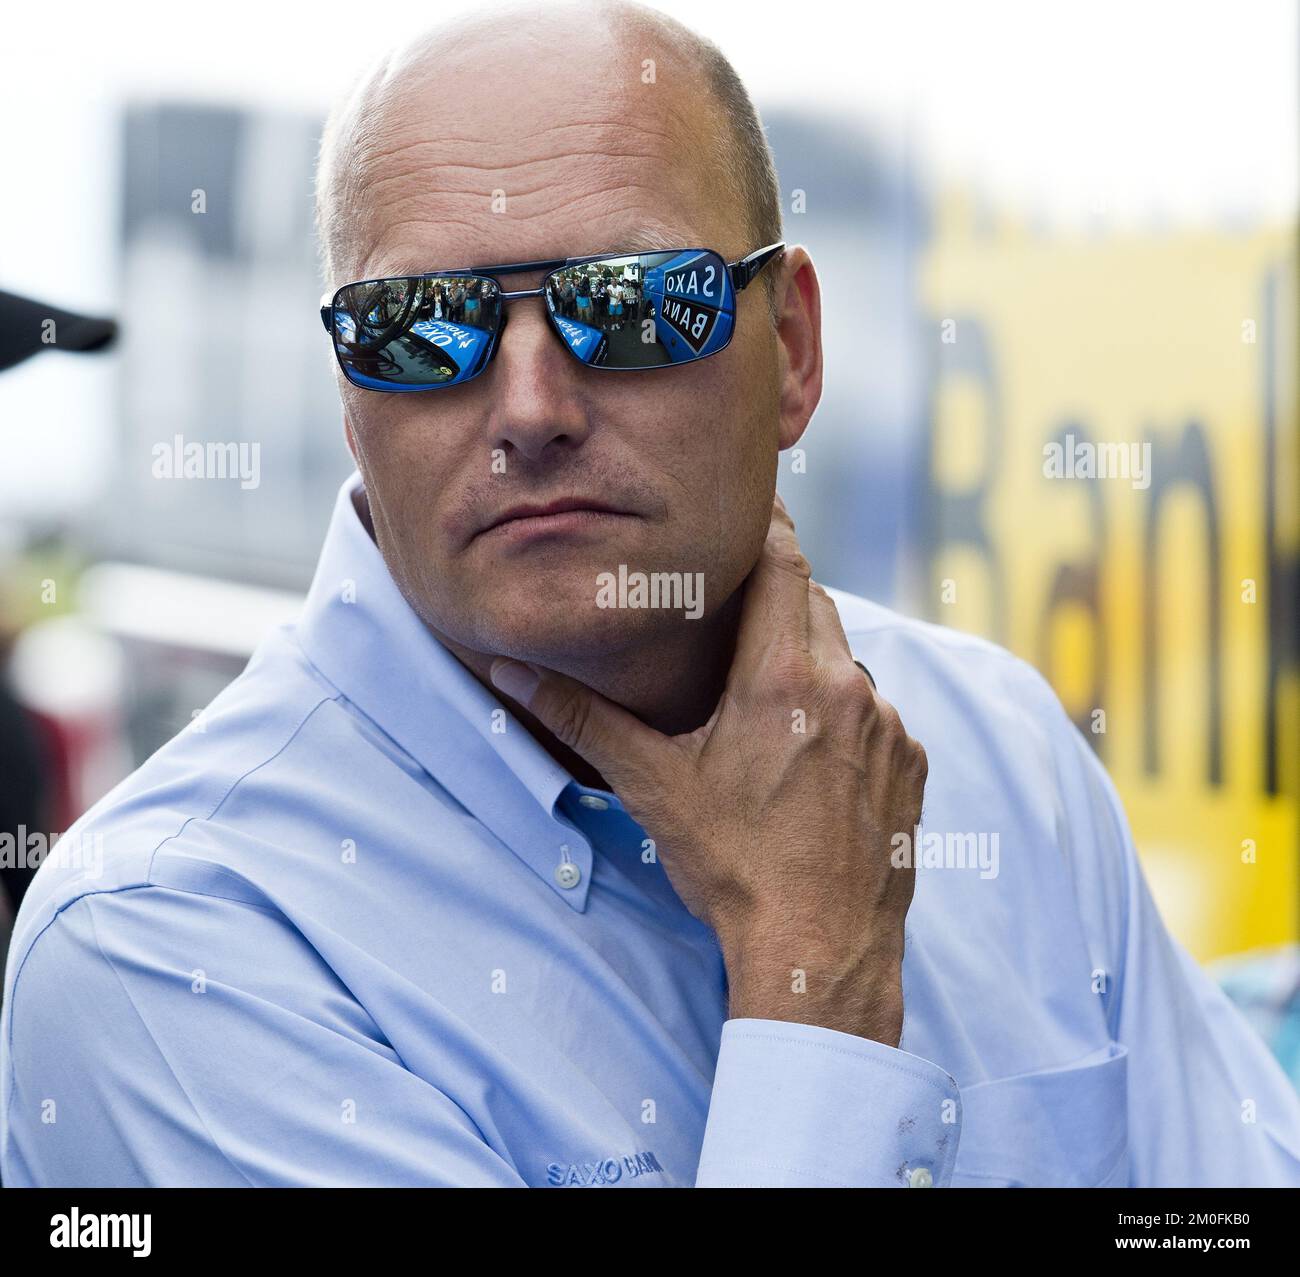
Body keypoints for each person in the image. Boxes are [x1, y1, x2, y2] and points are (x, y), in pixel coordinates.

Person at [4, 0, 1300, 1189]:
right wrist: (811, 974)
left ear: (790, 348)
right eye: (420, 324)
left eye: (626, 308)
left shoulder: (999, 745)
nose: (527, 409)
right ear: (349, 394)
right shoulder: (168, 938)